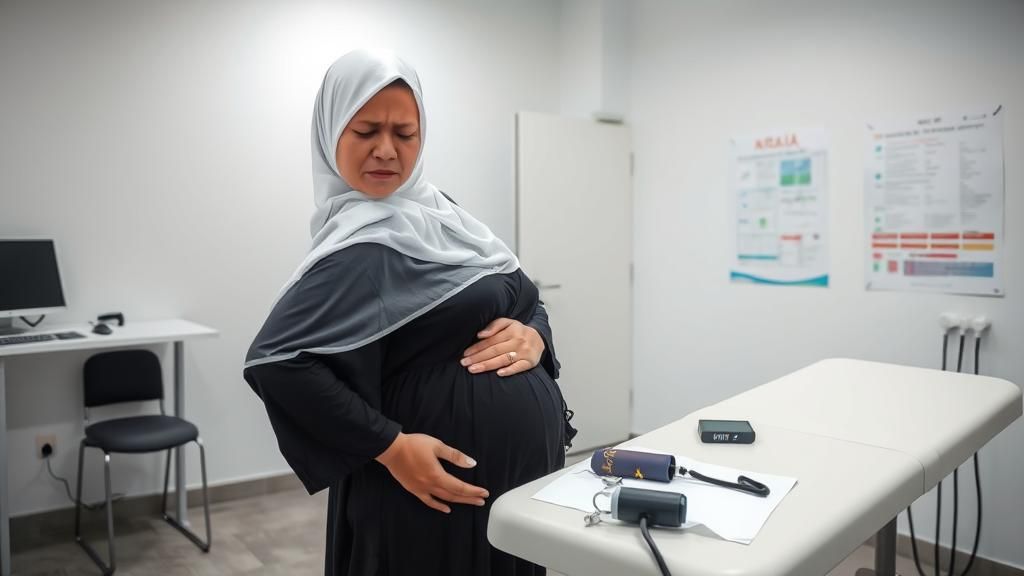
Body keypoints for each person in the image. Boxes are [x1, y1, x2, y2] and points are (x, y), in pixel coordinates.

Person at [243, 49, 576, 576]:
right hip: (428, 502)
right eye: (365, 131)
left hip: (512, 486)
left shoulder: (444, 218)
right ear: (330, 134)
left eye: (405, 133)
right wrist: (391, 447)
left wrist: (533, 335)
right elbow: (279, 363)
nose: (386, 150)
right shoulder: (353, 250)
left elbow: (524, 295)